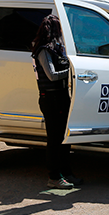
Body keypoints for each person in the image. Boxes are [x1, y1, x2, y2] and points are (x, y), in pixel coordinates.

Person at [32, 14, 82, 189]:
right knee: (54, 139)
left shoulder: (57, 49)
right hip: (51, 98)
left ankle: (66, 173)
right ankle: (54, 177)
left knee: (64, 138)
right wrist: (71, 72)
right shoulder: (44, 50)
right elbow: (52, 75)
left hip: (61, 97)